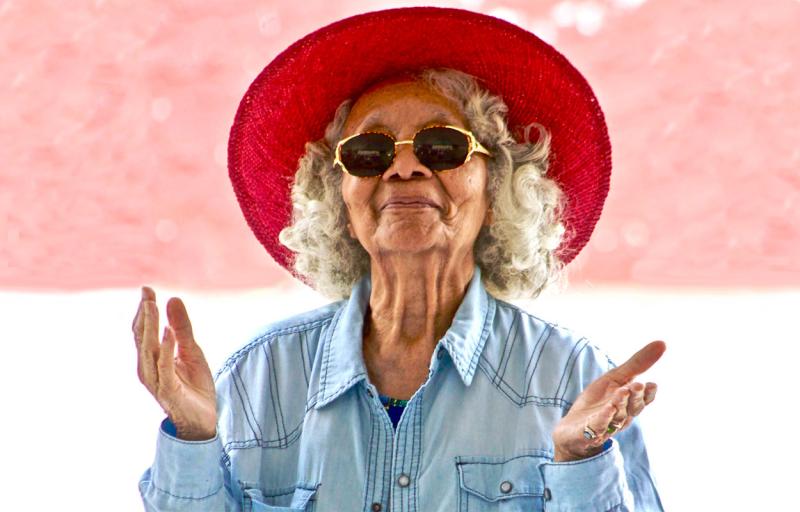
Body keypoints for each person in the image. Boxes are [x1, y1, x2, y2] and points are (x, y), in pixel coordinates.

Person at [134, 7, 666, 511]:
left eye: (441, 147)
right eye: (370, 152)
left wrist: (579, 463)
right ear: (337, 196)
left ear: (497, 185)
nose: (404, 168)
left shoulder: (571, 380)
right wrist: (195, 439)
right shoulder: (261, 377)